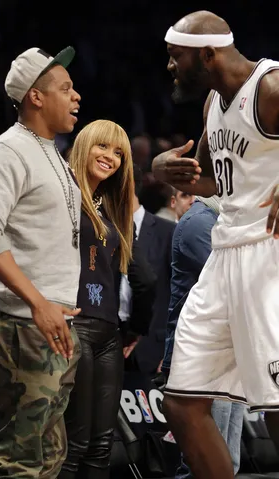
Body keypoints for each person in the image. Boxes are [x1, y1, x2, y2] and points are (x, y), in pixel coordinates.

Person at [151, 10, 279, 479]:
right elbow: (208, 180)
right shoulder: (212, 104)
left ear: (207, 54)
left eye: (175, 56)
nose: (169, 66)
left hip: (269, 255)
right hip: (223, 257)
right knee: (182, 404)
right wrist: (166, 169)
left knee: (276, 406)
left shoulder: (270, 87)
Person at [0, 46, 82, 478]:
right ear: (36, 97)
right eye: (65, 89)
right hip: (23, 325)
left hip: (51, 325)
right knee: (19, 461)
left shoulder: (50, 151)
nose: (76, 97)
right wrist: (37, 301)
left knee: (48, 459)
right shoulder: (11, 150)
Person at [59, 119, 156, 479]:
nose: (110, 157)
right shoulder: (62, 192)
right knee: (76, 442)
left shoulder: (111, 207)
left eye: (118, 153)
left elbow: (143, 277)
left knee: (102, 445)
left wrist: (133, 329)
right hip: (73, 325)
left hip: (108, 332)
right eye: (103, 147)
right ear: (84, 146)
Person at [162, 195, 243, 478]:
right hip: (203, 356)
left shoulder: (227, 222)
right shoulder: (199, 222)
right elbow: (235, 284)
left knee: (227, 461)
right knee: (202, 464)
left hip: (229, 352)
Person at [120, 163, 176, 375]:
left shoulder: (168, 232)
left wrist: (173, 350)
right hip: (105, 341)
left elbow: (183, 296)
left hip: (153, 349)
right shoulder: (99, 229)